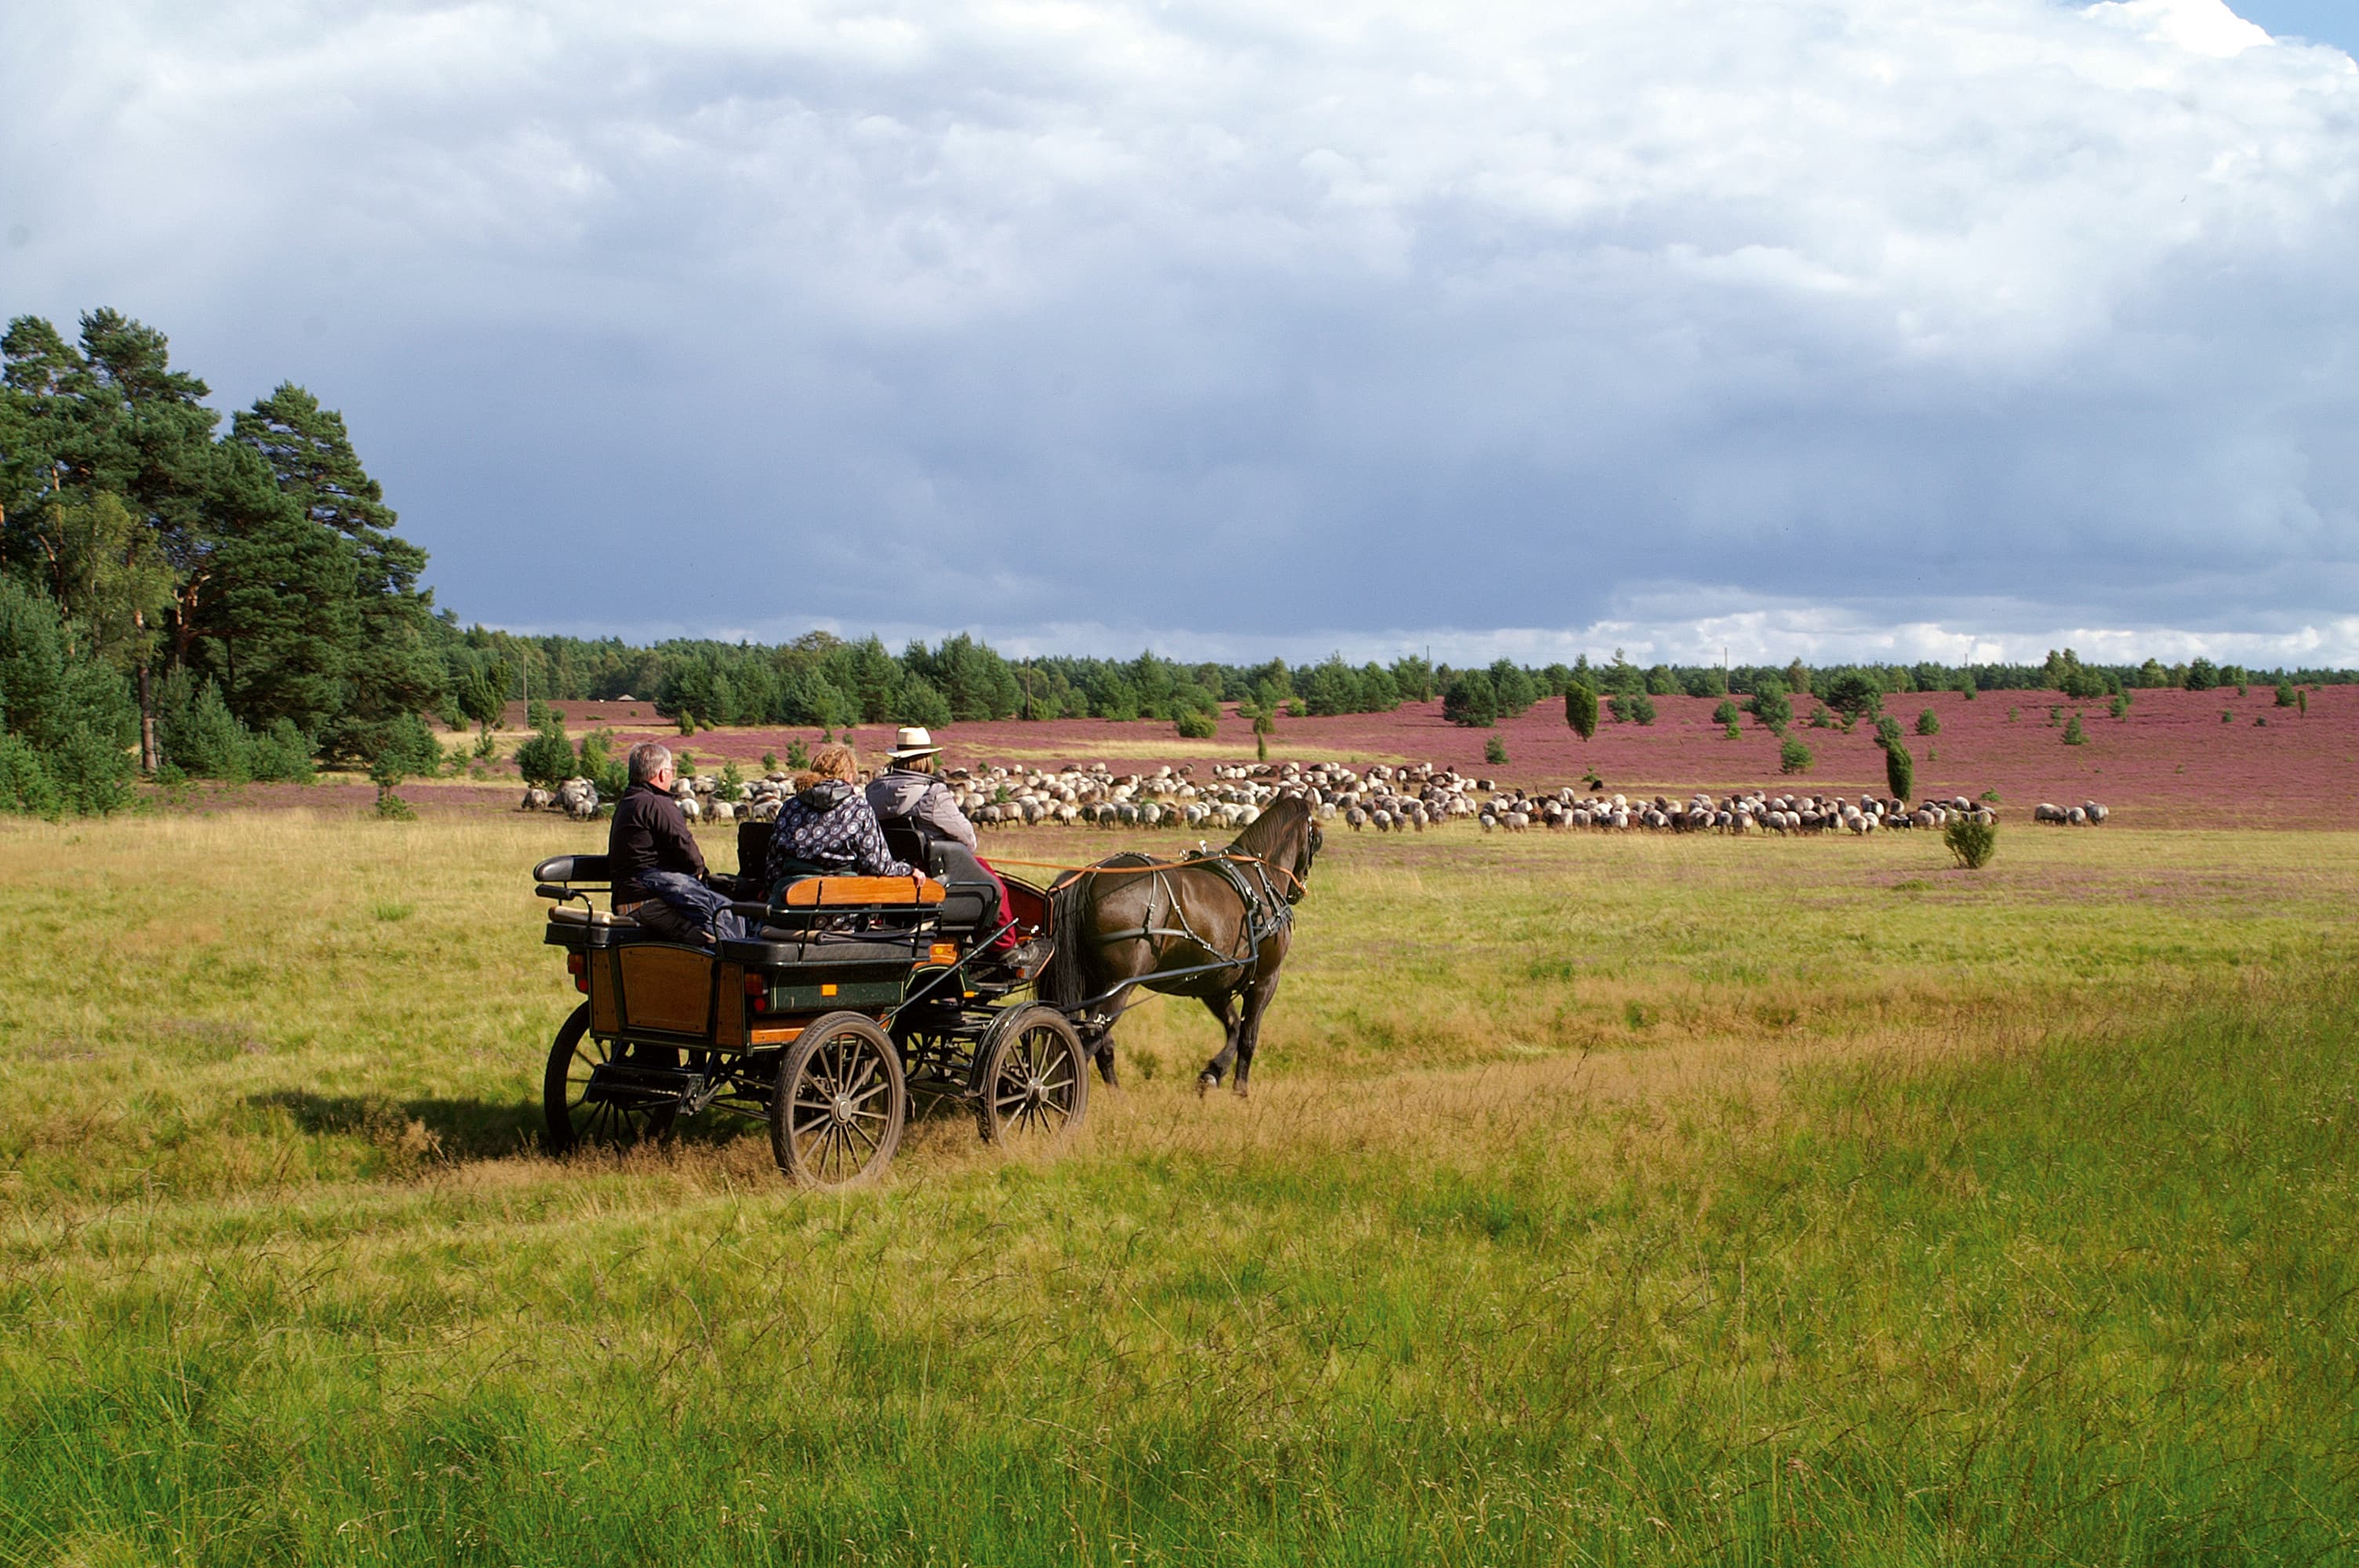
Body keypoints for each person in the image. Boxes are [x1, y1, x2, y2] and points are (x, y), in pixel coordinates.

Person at [867, 727, 1044, 973]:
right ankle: (1005, 948)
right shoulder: (932, 794)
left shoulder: (873, 791)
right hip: (936, 875)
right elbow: (969, 840)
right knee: (994, 887)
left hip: (893, 872)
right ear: (926, 759)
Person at [608, 740, 748, 945]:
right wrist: (699, 870)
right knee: (724, 925)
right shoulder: (657, 802)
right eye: (671, 770)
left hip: (625, 896)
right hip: (649, 898)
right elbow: (683, 843)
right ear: (663, 774)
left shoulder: (629, 801)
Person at [765, 742, 923, 886]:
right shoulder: (858, 808)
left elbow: (775, 860)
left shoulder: (791, 806)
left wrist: (771, 888)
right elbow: (877, 864)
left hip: (789, 896)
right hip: (842, 901)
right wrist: (908, 870)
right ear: (848, 774)